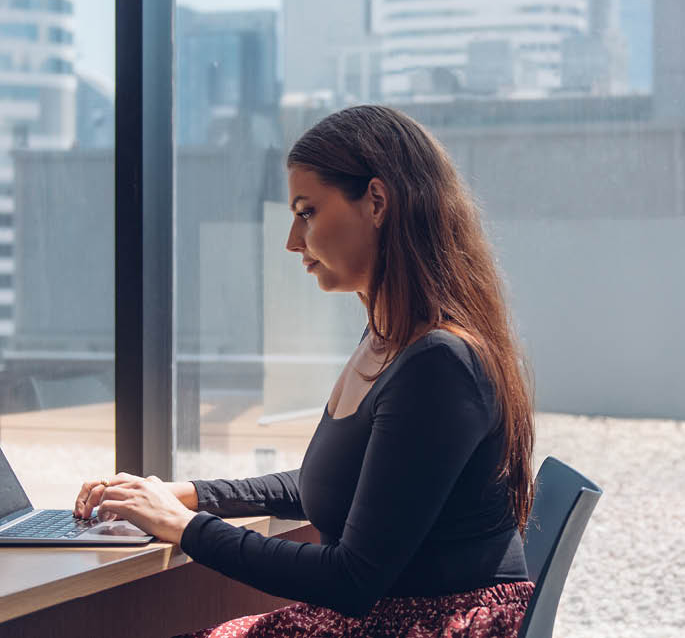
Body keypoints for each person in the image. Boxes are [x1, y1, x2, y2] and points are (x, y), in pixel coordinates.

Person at [73, 105, 537, 638]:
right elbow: (349, 486)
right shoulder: (388, 341)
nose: (293, 240)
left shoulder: (439, 363)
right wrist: (189, 494)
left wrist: (182, 528)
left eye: (307, 212)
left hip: (427, 625)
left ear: (377, 202)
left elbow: (352, 579)